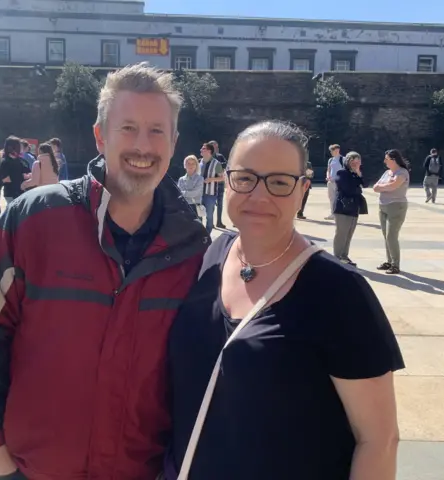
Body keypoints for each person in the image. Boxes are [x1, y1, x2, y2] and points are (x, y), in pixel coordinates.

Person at [0, 62, 210, 480]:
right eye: (127, 128)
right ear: (99, 135)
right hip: (34, 468)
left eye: (156, 131)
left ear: (175, 141)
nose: (142, 146)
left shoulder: (192, 247)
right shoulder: (36, 218)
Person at [167, 120, 403, 480]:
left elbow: (378, 440)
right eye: (245, 178)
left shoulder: (338, 291)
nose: (258, 196)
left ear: (303, 189)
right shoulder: (214, 254)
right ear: (227, 179)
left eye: (279, 182)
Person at [373, 149, 410, 275]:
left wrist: (384, 187)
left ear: (394, 160)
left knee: (391, 236)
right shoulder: (387, 172)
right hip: (383, 206)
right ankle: (389, 261)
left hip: (396, 206)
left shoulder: (402, 172)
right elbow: (375, 187)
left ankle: (395, 264)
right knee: (386, 236)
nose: (385, 161)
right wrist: (385, 186)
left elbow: (394, 186)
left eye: (387, 159)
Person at [333, 151, 367, 266]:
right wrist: (358, 188)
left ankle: (344, 256)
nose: (355, 163)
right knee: (341, 233)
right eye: (352, 161)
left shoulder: (356, 173)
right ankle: (337, 257)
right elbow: (347, 188)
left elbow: (365, 184)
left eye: (357, 161)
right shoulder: (341, 172)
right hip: (343, 207)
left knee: (349, 234)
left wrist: (358, 172)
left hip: (354, 207)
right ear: (347, 161)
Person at [199, 142, 224, 233]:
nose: (201, 150)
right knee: (199, 215)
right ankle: (200, 233)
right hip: (198, 193)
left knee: (209, 216)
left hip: (210, 194)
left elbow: (222, 178)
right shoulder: (199, 162)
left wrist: (211, 179)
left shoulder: (217, 164)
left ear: (209, 151)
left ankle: (208, 234)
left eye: (203, 148)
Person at [0, 136, 30, 204]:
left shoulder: (21, 161)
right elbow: (6, 179)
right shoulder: (5, 162)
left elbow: (28, 173)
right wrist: (22, 176)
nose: (21, 147)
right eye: (19, 145)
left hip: (22, 192)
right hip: (11, 193)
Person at [208, 140, 227, 229]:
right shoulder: (207, 157)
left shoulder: (220, 156)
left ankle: (219, 221)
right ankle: (210, 223)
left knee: (220, 203)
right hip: (211, 184)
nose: (216, 148)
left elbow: (226, 164)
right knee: (211, 204)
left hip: (220, 183)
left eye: (216, 146)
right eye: (214, 146)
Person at [325, 144, 344, 220]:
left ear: (337, 150)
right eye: (331, 151)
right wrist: (328, 176)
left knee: (339, 198)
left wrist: (337, 179)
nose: (331, 152)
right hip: (330, 182)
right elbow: (328, 170)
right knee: (331, 198)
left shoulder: (343, 159)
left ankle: (340, 214)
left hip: (339, 182)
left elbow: (345, 171)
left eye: (332, 150)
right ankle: (333, 213)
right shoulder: (330, 160)